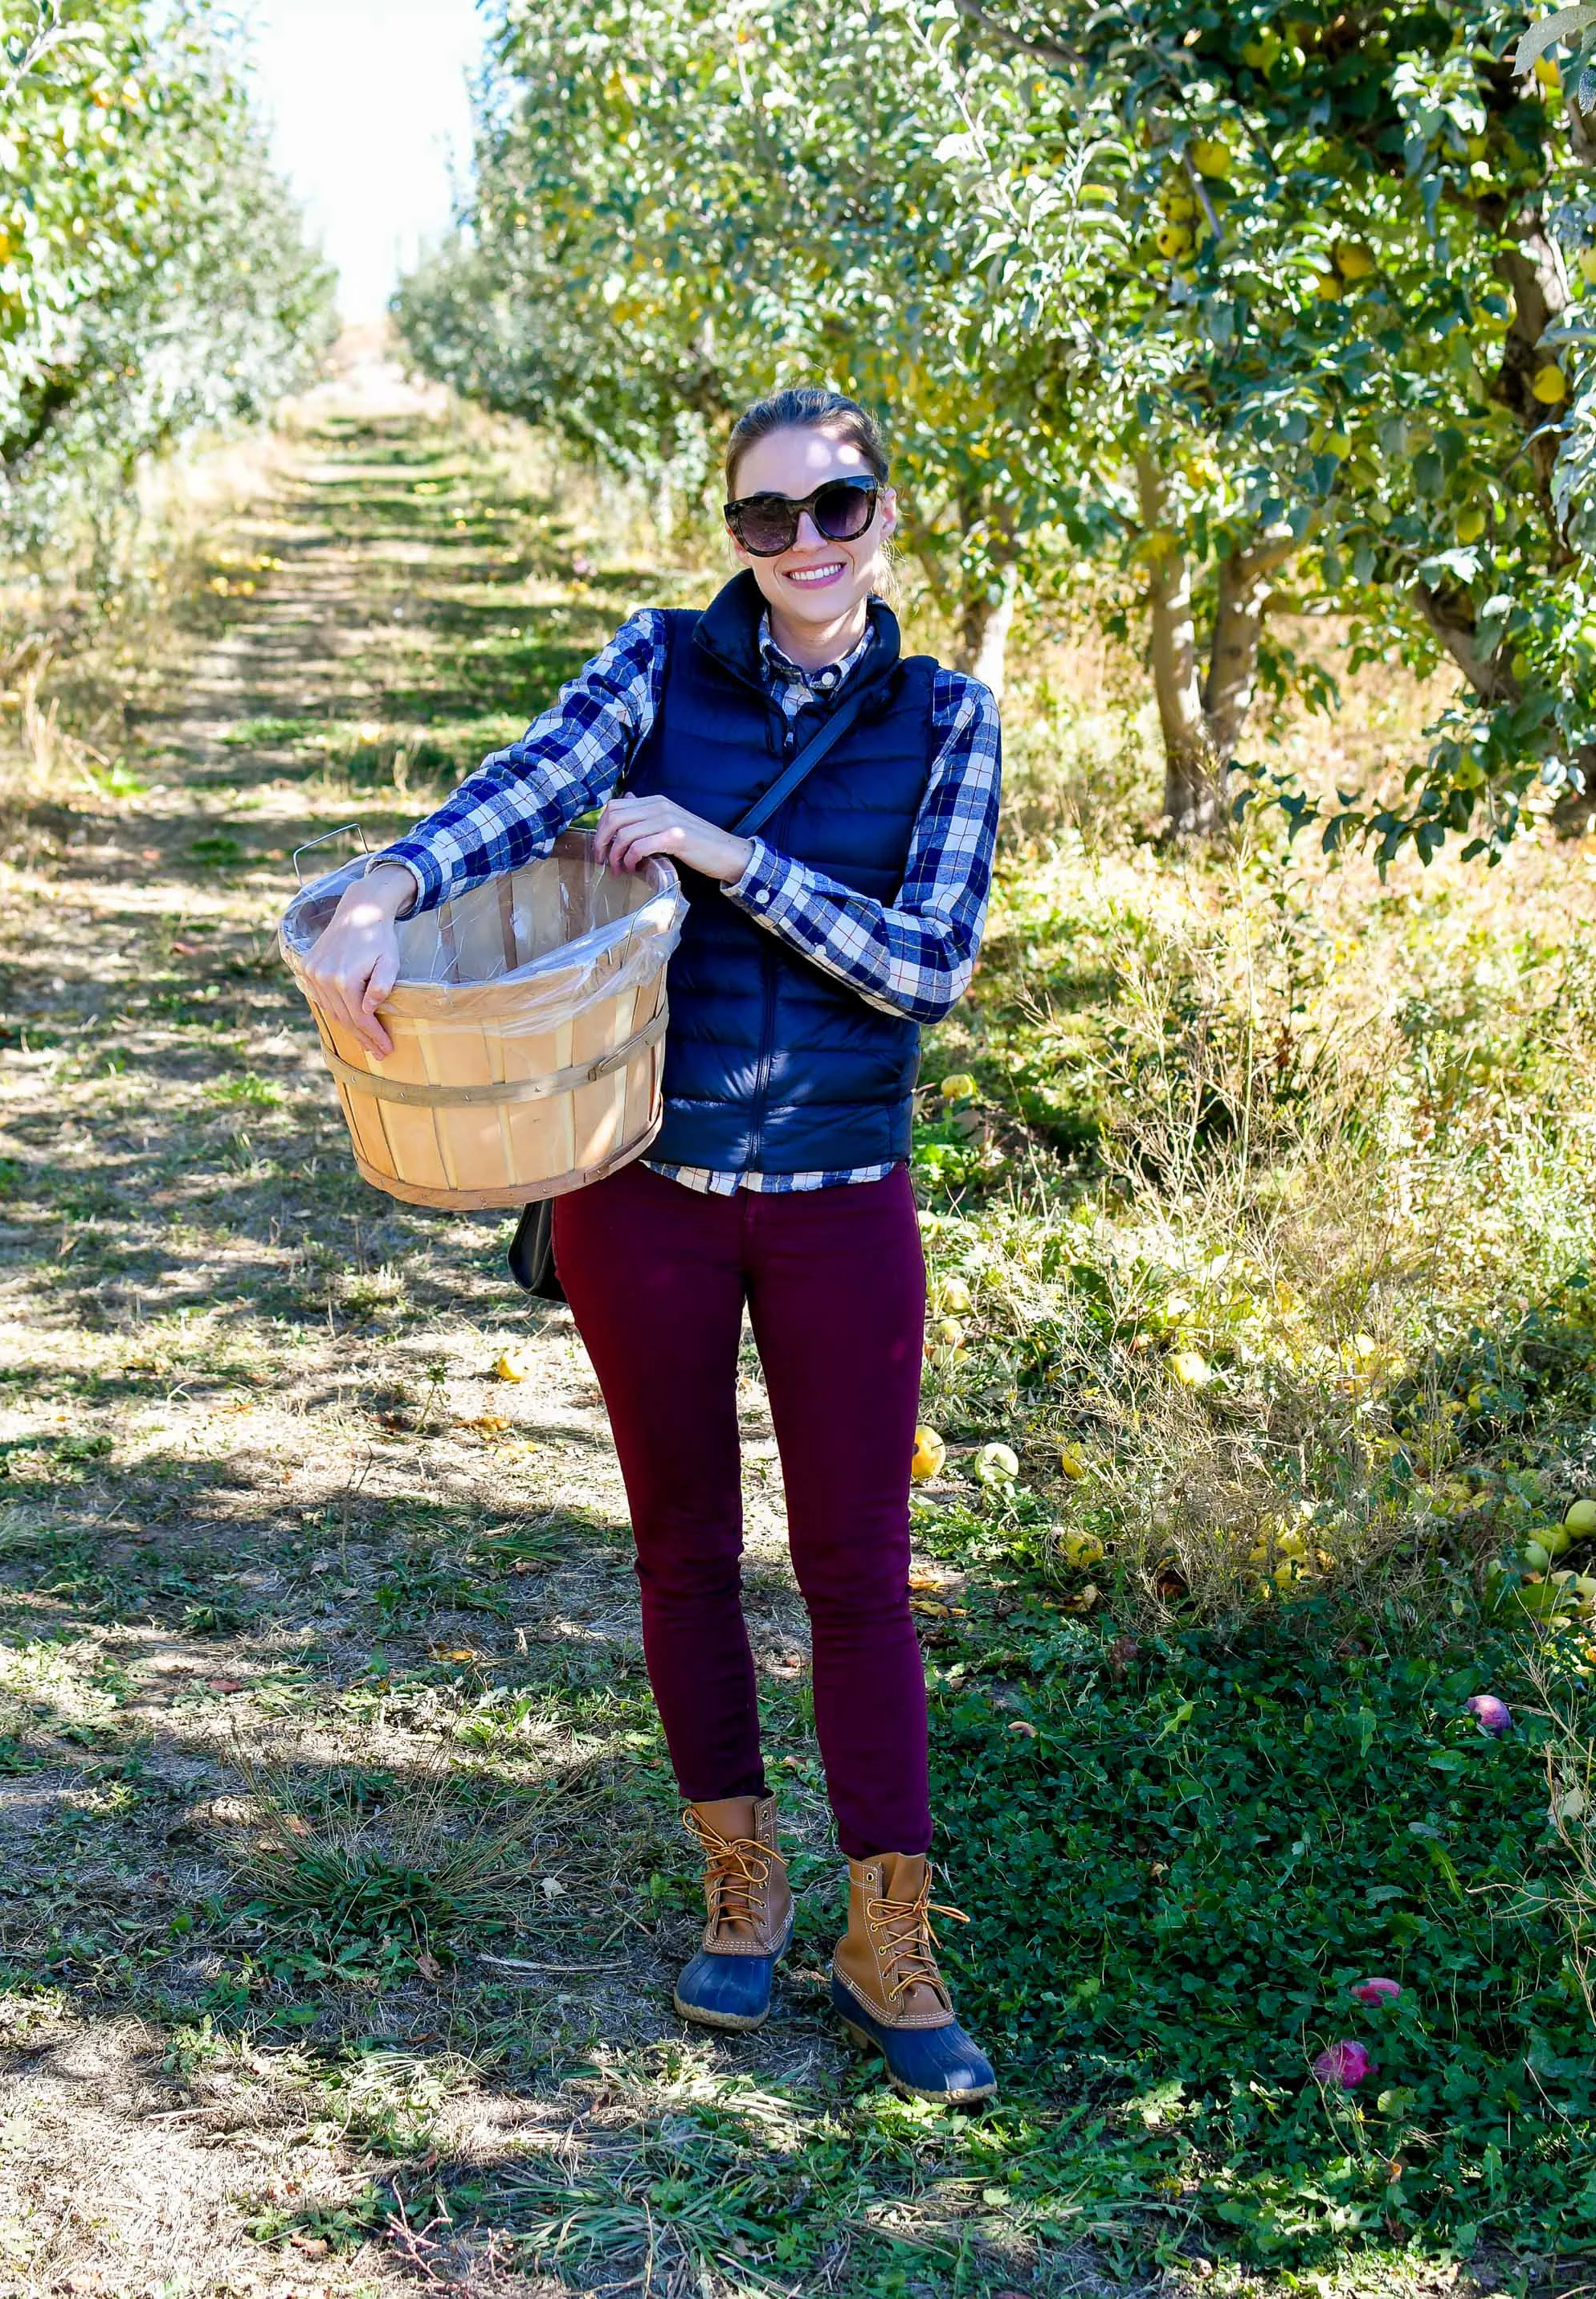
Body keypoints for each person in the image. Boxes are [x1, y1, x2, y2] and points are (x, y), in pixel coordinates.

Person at [301, 385, 1003, 2103]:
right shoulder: (656, 665)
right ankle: (742, 1879)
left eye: (835, 507)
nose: (804, 544)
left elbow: (927, 965)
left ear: (883, 514)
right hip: (646, 1193)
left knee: (858, 1570)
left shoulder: (949, 717)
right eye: (766, 518)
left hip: (841, 1195)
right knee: (683, 1547)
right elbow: (527, 785)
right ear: (735, 537)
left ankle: (889, 1930)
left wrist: (729, 855)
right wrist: (388, 886)